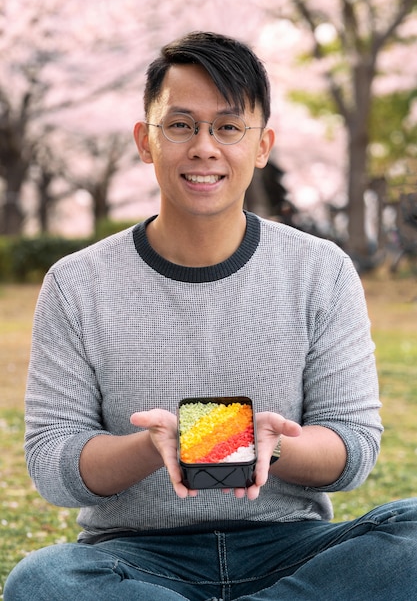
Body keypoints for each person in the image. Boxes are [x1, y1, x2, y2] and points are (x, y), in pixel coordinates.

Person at [4, 31, 417, 601]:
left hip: (291, 549)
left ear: (262, 145)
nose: (204, 147)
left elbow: (353, 446)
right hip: (136, 560)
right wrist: (150, 447)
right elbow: (54, 461)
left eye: (228, 127)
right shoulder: (76, 284)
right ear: (145, 141)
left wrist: (270, 447)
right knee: (44, 581)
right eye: (180, 125)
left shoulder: (321, 270)